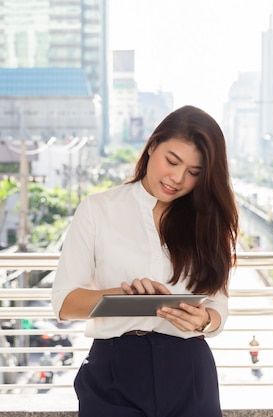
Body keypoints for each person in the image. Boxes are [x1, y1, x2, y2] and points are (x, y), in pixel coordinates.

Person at [51, 105, 239, 417]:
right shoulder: (98, 209)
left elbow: (218, 306)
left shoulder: (207, 222)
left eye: (194, 173)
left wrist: (203, 321)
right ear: (152, 145)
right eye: (172, 161)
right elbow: (64, 302)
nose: (177, 178)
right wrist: (123, 299)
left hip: (189, 368)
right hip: (114, 371)